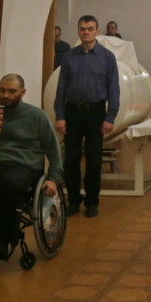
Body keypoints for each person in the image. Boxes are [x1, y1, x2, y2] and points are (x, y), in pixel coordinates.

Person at [0, 73, 63, 260]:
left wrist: (53, 179)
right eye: (2, 90)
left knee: (7, 184)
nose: (5, 95)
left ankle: (2, 240)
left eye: (11, 91)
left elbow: (54, 153)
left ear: (23, 92)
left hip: (24, 167)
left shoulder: (37, 116)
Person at [54, 14, 120, 218]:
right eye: (82, 29)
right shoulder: (69, 57)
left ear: (97, 32)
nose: (86, 32)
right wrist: (60, 115)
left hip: (96, 113)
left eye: (90, 28)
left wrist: (110, 117)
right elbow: (61, 88)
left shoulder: (107, 57)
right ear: (78, 32)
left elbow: (113, 89)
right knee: (71, 159)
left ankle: (92, 201)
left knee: (93, 160)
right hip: (73, 112)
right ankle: (74, 200)